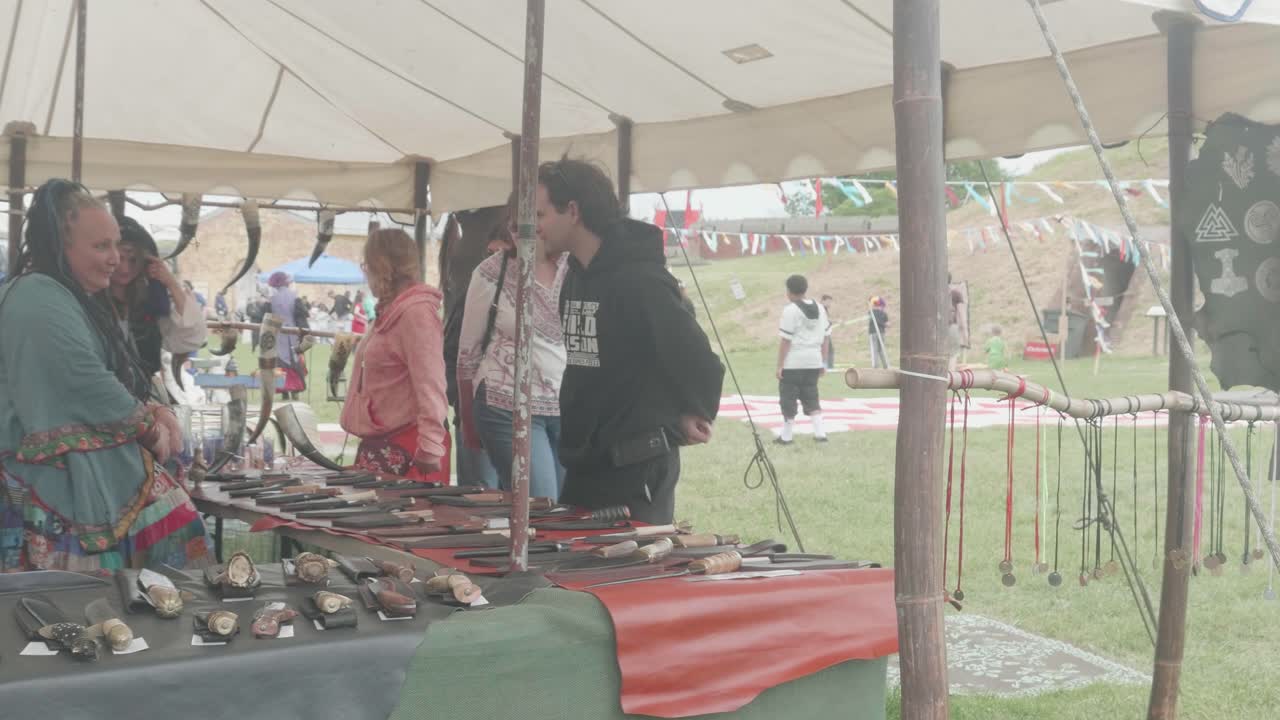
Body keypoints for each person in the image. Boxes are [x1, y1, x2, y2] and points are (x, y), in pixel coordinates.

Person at [0, 179, 211, 571]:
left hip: (73, 463)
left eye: (116, 245)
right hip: (42, 475)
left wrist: (154, 408)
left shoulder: (69, 297)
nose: (114, 258)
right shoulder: (37, 297)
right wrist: (149, 427)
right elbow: (85, 382)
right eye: (101, 246)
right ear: (59, 244)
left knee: (174, 532)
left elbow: (117, 372)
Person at [537, 157, 724, 524]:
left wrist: (692, 411)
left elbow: (696, 359)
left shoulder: (641, 281)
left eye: (541, 214)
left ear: (572, 211)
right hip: (586, 466)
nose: (535, 227)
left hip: (636, 470)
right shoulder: (574, 277)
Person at [457, 200, 569, 499]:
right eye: (514, 223)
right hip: (505, 403)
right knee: (540, 504)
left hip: (567, 406)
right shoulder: (490, 272)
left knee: (569, 508)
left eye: (537, 216)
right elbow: (467, 353)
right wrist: (467, 421)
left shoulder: (575, 268)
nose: (522, 229)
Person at [340, 229, 450, 483]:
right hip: (384, 442)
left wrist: (430, 444)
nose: (365, 273)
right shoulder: (392, 310)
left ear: (380, 266)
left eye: (366, 266)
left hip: (411, 448)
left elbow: (431, 382)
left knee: (409, 509)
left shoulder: (416, 313)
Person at [107, 216, 207, 399]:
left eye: (133, 260)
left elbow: (191, 337)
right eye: (120, 259)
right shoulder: (91, 298)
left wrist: (170, 282)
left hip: (139, 397)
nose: (125, 268)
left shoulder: (148, 302)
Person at [775, 274, 831, 444]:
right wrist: (823, 362)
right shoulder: (821, 308)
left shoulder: (790, 310)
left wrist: (780, 365)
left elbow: (786, 341)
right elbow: (826, 338)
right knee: (811, 395)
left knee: (788, 398)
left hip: (793, 362)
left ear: (789, 291)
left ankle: (786, 436)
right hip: (814, 360)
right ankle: (820, 433)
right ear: (805, 289)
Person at [267, 272, 309, 400]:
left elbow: (266, 318)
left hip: (277, 336)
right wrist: (304, 336)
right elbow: (301, 318)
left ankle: (284, 393)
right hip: (293, 335)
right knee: (294, 361)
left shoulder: (271, 299)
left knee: (280, 363)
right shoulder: (294, 296)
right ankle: (295, 393)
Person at [948, 273, 968, 371]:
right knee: (953, 354)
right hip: (951, 326)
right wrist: (965, 333)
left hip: (935, 329)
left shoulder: (933, 293)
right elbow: (961, 314)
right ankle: (950, 376)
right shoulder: (955, 294)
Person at [868, 295, 890, 369]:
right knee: (881, 349)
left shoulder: (871, 312)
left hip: (873, 333)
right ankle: (885, 365)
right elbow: (888, 324)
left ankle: (875, 366)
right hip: (881, 333)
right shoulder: (884, 313)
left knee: (874, 349)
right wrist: (884, 324)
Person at [820, 294, 836, 369]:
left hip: (825, 333)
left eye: (830, 302)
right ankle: (828, 366)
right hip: (823, 334)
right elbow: (826, 320)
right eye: (828, 302)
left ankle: (828, 366)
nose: (830, 304)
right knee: (829, 350)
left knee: (829, 349)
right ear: (823, 301)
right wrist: (837, 321)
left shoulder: (824, 309)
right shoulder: (821, 309)